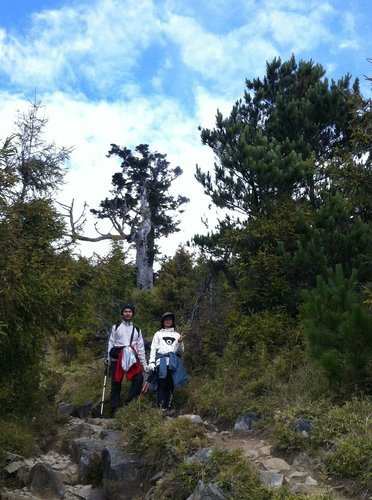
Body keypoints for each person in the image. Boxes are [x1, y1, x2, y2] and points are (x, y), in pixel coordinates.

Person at [105, 304, 148, 417]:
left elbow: (141, 348)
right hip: (117, 358)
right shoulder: (116, 327)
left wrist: (144, 365)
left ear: (133, 314)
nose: (127, 313)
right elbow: (111, 342)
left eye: (129, 311)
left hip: (132, 359)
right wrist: (108, 358)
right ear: (122, 314)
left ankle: (129, 403)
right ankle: (114, 410)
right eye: (125, 311)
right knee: (116, 383)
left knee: (138, 379)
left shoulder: (137, 330)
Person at [148, 312, 188, 410]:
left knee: (171, 383)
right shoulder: (158, 334)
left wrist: (180, 342)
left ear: (173, 321)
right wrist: (152, 362)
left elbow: (181, 351)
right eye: (166, 319)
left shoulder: (177, 335)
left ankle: (168, 406)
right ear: (162, 321)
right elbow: (153, 348)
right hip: (160, 361)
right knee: (161, 382)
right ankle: (160, 406)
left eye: (170, 319)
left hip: (173, 362)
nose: (168, 321)